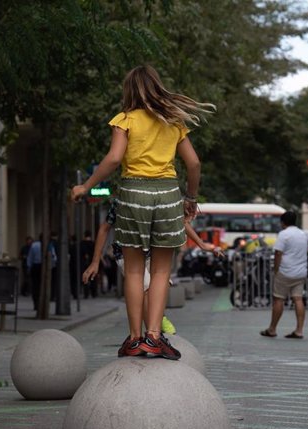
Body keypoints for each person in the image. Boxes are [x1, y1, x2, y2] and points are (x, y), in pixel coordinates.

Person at [71, 64, 214, 359]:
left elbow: (113, 159)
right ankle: (154, 337)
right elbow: (194, 164)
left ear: (129, 90)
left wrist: (85, 186)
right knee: (161, 270)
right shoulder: (173, 121)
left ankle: (134, 339)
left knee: (134, 271)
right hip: (167, 194)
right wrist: (190, 197)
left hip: (134, 193)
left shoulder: (125, 120)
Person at [82, 198, 223, 335]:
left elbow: (181, 223)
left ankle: (156, 323)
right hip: (127, 252)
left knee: (160, 285)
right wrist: (95, 262)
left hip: (152, 252)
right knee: (145, 287)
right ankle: (151, 332)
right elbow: (104, 228)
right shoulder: (122, 200)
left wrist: (202, 245)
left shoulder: (160, 198)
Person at [260, 211, 308, 339]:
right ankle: (299, 331)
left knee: (279, 299)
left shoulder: (283, 234)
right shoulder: (303, 234)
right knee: (298, 299)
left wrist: (276, 270)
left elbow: (278, 254)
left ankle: (272, 329)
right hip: (301, 272)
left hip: (285, 271)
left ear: (283, 222)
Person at [26, 233, 43, 311]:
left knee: (35, 286)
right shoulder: (49, 245)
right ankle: (41, 304)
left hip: (35, 266)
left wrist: (29, 267)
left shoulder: (34, 245)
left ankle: (36, 304)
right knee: (42, 286)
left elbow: (30, 257)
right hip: (43, 267)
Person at [79, 230, 97, 298]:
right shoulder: (93, 243)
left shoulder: (82, 243)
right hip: (92, 262)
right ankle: (94, 293)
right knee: (93, 278)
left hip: (84, 263)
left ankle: (86, 294)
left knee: (85, 277)